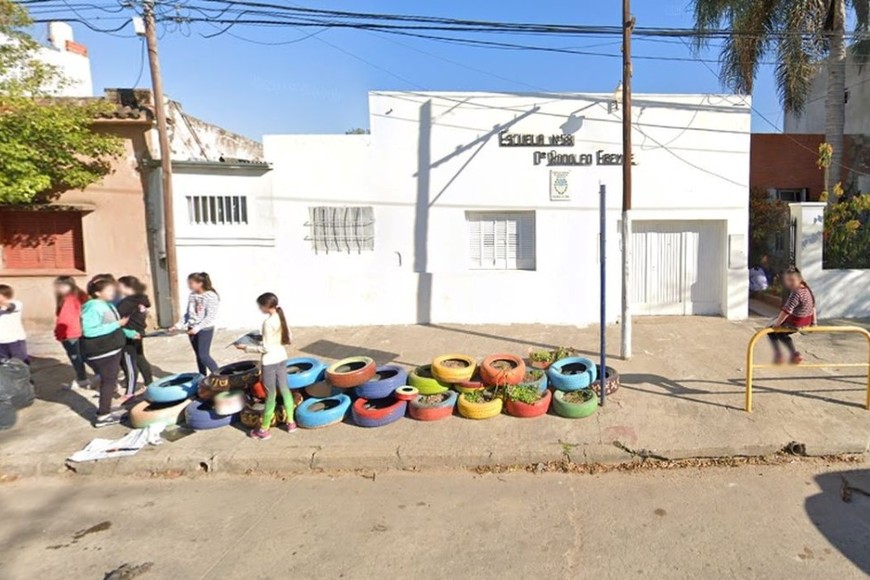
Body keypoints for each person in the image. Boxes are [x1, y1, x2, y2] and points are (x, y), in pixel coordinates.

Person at [237, 292, 294, 439]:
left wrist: (246, 348)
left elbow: (266, 349)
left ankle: (264, 429)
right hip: (282, 357)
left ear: (266, 306)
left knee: (270, 395)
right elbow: (286, 338)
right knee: (285, 390)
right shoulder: (281, 317)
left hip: (270, 361)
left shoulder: (267, 323)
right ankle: (291, 423)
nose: (260, 308)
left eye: (260, 306)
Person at [81, 277, 135, 428]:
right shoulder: (93, 307)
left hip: (111, 348)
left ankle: (106, 407)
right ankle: (103, 415)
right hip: (102, 350)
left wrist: (128, 332)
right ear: (97, 292)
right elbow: (89, 331)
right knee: (108, 381)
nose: (113, 292)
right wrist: (117, 324)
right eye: (109, 290)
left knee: (110, 379)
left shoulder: (104, 305)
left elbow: (111, 325)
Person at [767, 265, 817, 365]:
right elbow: (813, 307)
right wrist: (814, 322)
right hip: (806, 321)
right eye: (787, 280)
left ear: (799, 279)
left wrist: (777, 323)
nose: (789, 283)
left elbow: (787, 310)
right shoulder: (807, 290)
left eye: (792, 280)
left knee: (771, 331)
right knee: (781, 334)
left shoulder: (796, 293)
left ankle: (779, 356)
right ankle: (794, 355)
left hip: (795, 322)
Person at [175, 272, 220, 375]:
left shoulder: (211, 296)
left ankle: (220, 376)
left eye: (191, 283)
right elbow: (188, 313)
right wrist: (178, 325)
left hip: (204, 329)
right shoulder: (192, 295)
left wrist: (198, 327)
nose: (189, 285)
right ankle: (202, 376)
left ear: (200, 283)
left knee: (203, 355)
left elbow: (210, 316)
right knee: (198, 356)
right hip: (191, 327)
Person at [117, 276, 154, 396]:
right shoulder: (142, 299)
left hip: (129, 335)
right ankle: (149, 383)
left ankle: (129, 392)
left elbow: (115, 319)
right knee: (139, 357)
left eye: (120, 286)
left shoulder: (127, 303)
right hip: (139, 333)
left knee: (129, 364)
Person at [54, 276, 92, 388]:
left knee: (75, 356)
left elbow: (65, 319)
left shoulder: (68, 299)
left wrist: (60, 333)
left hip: (70, 333)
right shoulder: (80, 296)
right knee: (84, 355)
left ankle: (82, 379)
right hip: (81, 330)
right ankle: (101, 375)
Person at [0, 285, 27, 363]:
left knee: (19, 363)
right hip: (1, 342)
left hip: (15, 340)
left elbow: (11, 307)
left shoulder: (17, 303)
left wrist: (2, 304)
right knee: (3, 364)